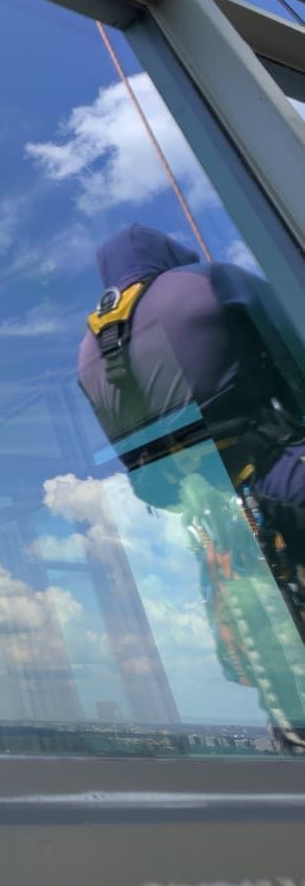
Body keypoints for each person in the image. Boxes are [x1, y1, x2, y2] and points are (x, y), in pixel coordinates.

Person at [78, 223, 305, 745]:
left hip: (216, 521)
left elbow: (137, 464)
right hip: (279, 472)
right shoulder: (210, 280)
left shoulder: (88, 351)